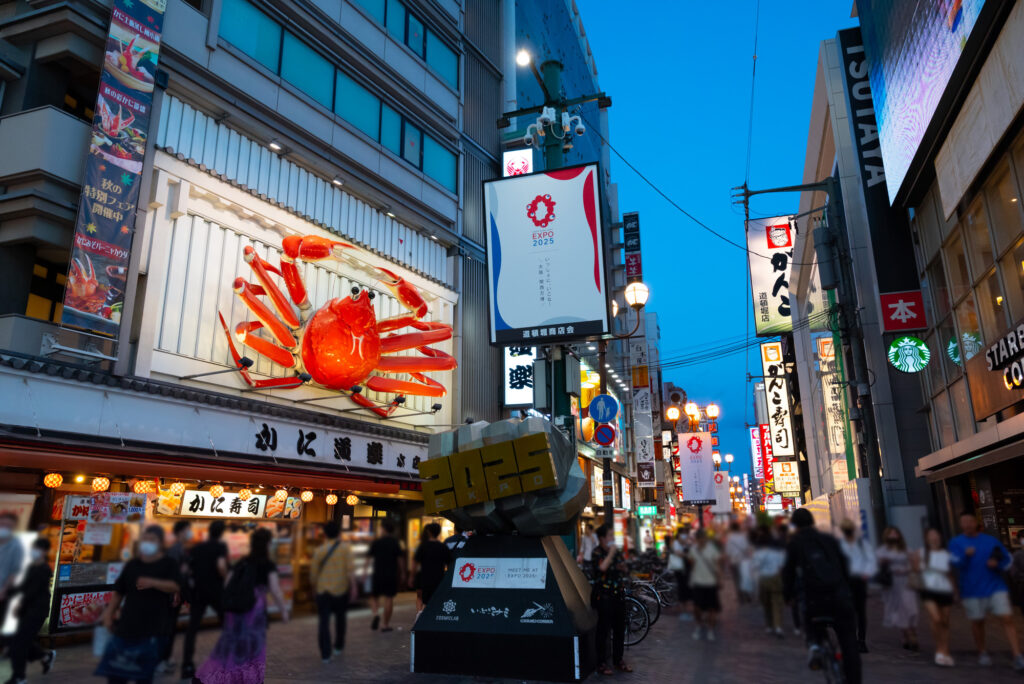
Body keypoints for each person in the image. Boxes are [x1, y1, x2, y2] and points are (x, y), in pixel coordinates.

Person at [196, 528, 290, 684]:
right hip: (254, 610)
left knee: (231, 644)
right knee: (253, 646)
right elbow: (275, 590)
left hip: (235, 610)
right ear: (267, 545)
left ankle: (220, 677)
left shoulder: (242, 562)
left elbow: (227, 583)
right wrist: (284, 611)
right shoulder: (267, 564)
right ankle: (249, 679)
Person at [782, 508, 860, 684]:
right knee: (849, 644)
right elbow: (845, 567)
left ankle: (815, 645)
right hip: (840, 596)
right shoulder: (829, 540)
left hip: (815, 598)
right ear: (812, 521)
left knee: (808, 615)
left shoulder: (795, 543)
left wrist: (788, 595)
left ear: (795, 524)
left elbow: (788, 573)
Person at [96, 525, 181, 684]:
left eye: (152, 540)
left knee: (143, 676)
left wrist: (153, 583)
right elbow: (119, 592)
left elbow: (176, 585)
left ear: (160, 543)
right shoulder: (133, 565)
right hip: (126, 626)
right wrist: (108, 614)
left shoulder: (169, 564)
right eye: (146, 539)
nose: (148, 542)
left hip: (153, 629)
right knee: (115, 675)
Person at [949, 510, 1024, 669]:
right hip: (971, 589)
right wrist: (965, 555)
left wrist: (999, 565)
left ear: (976, 522)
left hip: (996, 586)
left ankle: (1017, 654)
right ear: (961, 524)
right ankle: (982, 651)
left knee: (1007, 618)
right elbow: (955, 563)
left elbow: (1007, 559)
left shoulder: (990, 541)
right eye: (964, 522)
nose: (968, 524)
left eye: (970, 521)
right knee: (978, 622)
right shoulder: (956, 543)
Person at [181, 520, 228, 680]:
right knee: (227, 623)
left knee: (192, 628)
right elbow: (221, 566)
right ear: (221, 533)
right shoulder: (220, 547)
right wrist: (225, 577)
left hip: (198, 591)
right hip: (216, 591)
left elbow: (185, 569)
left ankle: (187, 664)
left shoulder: (197, 548)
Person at [5, 538, 56, 684]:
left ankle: (19, 677)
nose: (34, 551)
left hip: (37, 611)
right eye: (33, 547)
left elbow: (33, 591)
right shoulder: (31, 567)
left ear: (45, 551)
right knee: (18, 641)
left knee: (18, 644)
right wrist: (6, 591)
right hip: (27, 610)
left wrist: (20, 603)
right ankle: (45, 656)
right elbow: (23, 587)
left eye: (38, 549)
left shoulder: (45, 570)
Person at [310, 521, 356, 663]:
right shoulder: (346, 549)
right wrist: (354, 588)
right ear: (338, 533)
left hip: (323, 591)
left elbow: (313, 575)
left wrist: (314, 590)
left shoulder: (319, 550)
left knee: (323, 622)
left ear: (325, 534)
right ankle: (338, 646)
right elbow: (350, 570)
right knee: (340, 619)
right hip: (340, 590)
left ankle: (325, 654)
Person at [590, 523, 631, 676]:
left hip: (618, 595)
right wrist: (612, 554)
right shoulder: (597, 553)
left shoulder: (616, 553)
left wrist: (623, 567)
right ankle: (601, 663)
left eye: (613, 536)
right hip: (604, 597)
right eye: (610, 536)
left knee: (619, 630)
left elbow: (624, 568)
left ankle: (618, 660)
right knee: (603, 631)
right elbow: (602, 568)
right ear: (602, 538)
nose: (612, 539)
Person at [876, 526, 919, 651]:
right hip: (892, 583)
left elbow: (914, 564)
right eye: (891, 533)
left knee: (911, 608)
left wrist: (907, 569)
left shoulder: (905, 549)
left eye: (895, 533)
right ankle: (906, 635)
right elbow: (878, 563)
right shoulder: (883, 550)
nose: (893, 535)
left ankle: (913, 632)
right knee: (899, 609)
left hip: (906, 581)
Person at [917, 528, 955, 667]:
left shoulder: (946, 553)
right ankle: (939, 649)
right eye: (931, 535)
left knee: (945, 621)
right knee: (936, 618)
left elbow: (950, 573)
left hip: (945, 590)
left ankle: (945, 649)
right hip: (928, 590)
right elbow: (916, 571)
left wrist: (955, 590)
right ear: (926, 538)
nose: (934, 538)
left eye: (936, 535)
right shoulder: (922, 553)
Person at [838, 519, 877, 653]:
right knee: (850, 611)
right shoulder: (840, 545)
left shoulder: (861, 543)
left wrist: (866, 573)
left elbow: (870, 560)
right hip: (846, 580)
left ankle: (861, 640)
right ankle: (853, 639)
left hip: (859, 580)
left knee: (860, 611)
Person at [158, 519, 191, 674]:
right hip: (171, 595)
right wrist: (176, 593)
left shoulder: (181, 549)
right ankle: (162, 659)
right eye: (187, 530)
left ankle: (165, 658)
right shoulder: (175, 550)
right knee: (167, 627)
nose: (189, 533)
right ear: (180, 532)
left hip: (174, 594)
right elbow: (172, 574)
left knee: (169, 627)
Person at [365, 519, 404, 632]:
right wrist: (403, 574)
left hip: (377, 573)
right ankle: (385, 625)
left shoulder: (377, 542)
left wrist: (364, 572)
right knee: (389, 598)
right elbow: (400, 559)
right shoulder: (395, 542)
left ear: (383, 529)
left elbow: (368, 558)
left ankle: (376, 613)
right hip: (391, 574)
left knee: (373, 596)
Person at [687, 529, 722, 641]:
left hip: (711, 583)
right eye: (700, 538)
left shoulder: (712, 549)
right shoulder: (693, 550)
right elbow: (691, 565)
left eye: (703, 538)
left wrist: (719, 579)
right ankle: (699, 625)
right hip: (698, 582)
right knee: (697, 608)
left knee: (712, 609)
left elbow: (717, 565)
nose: (702, 540)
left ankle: (710, 629)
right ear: (697, 539)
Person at [751, 526, 786, 637]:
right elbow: (782, 567)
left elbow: (754, 567)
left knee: (766, 604)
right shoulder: (778, 553)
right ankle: (778, 626)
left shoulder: (758, 554)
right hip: (775, 578)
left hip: (763, 579)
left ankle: (769, 626)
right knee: (776, 603)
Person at [412, 523, 451, 614]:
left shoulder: (423, 546)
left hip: (424, 576)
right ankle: (428, 618)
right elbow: (449, 562)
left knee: (422, 598)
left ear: (428, 532)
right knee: (435, 599)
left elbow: (415, 562)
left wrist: (411, 576)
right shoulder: (442, 547)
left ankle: (420, 616)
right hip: (438, 577)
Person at [0, 512, 25, 642]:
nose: (4, 528)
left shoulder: (16, 546)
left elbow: (15, 572)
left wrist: (4, 590)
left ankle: (40, 653)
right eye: (2, 524)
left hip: (3, 593)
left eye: (8, 526)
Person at [669, 530, 693, 621]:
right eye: (682, 535)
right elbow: (678, 553)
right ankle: (683, 611)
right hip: (679, 570)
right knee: (682, 590)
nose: (683, 537)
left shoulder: (684, 544)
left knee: (686, 589)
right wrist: (687, 555)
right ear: (678, 536)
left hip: (685, 570)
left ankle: (686, 610)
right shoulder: (676, 543)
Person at [724, 522, 751, 603]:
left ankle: (740, 597)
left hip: (734, 561)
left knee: (736, 579)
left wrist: (728, 562)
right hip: (743, 561)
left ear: (731, 529)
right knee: (744, 578)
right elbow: (747, 549)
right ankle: (747, 594)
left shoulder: (729, 538)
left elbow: (728, 552)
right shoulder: (743, 537)